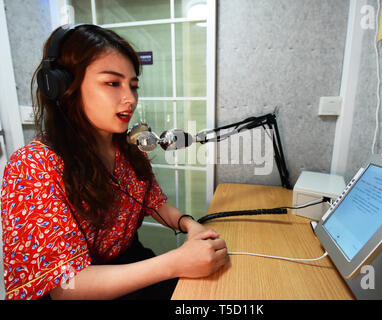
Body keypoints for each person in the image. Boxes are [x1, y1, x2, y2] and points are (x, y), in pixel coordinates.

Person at [1, 24, 229, 300]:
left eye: (133, 86)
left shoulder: (128, 147)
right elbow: (66, 288)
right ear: (64, 88)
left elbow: (152, 202)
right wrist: (176, 262)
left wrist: (190, 225)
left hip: (130, 266)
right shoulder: (32, 166)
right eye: (112, 83)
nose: (129, 99)